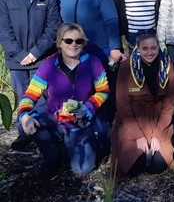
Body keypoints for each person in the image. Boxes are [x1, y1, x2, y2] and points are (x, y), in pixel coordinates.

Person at [14, 24, 107, 176]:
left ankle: (74, 144)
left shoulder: (93, 62)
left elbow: (103, 90)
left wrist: (88, 107)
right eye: (68, 41)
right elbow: (30, 95)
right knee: (34, 123)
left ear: (84, 43)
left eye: (79, 41)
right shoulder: (48, 65)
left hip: (80, 121)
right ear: (59, 43)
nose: (74, 45)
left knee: (83, 170)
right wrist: (24, 116)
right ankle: (51, 154)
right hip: (54, 120)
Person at [111, 31, 174, 177]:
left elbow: (169, 103)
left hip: (158, 120)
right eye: (145, 48)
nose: (150, 52)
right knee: (134, 166)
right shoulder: (126, 67)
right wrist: (138, 135)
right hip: (132, 120)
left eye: (154, 48)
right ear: (137, 48)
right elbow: (122, 105)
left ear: (159, 48)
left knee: (158, 166)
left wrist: (157, 134)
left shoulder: (167, 65)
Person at [2, 0, 65, 102]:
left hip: (42, 61)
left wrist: (36, 52)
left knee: (43, 106)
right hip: (17, 62)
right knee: (23, 106)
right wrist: (20, 54)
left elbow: (54, 28)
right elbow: (3, 30)